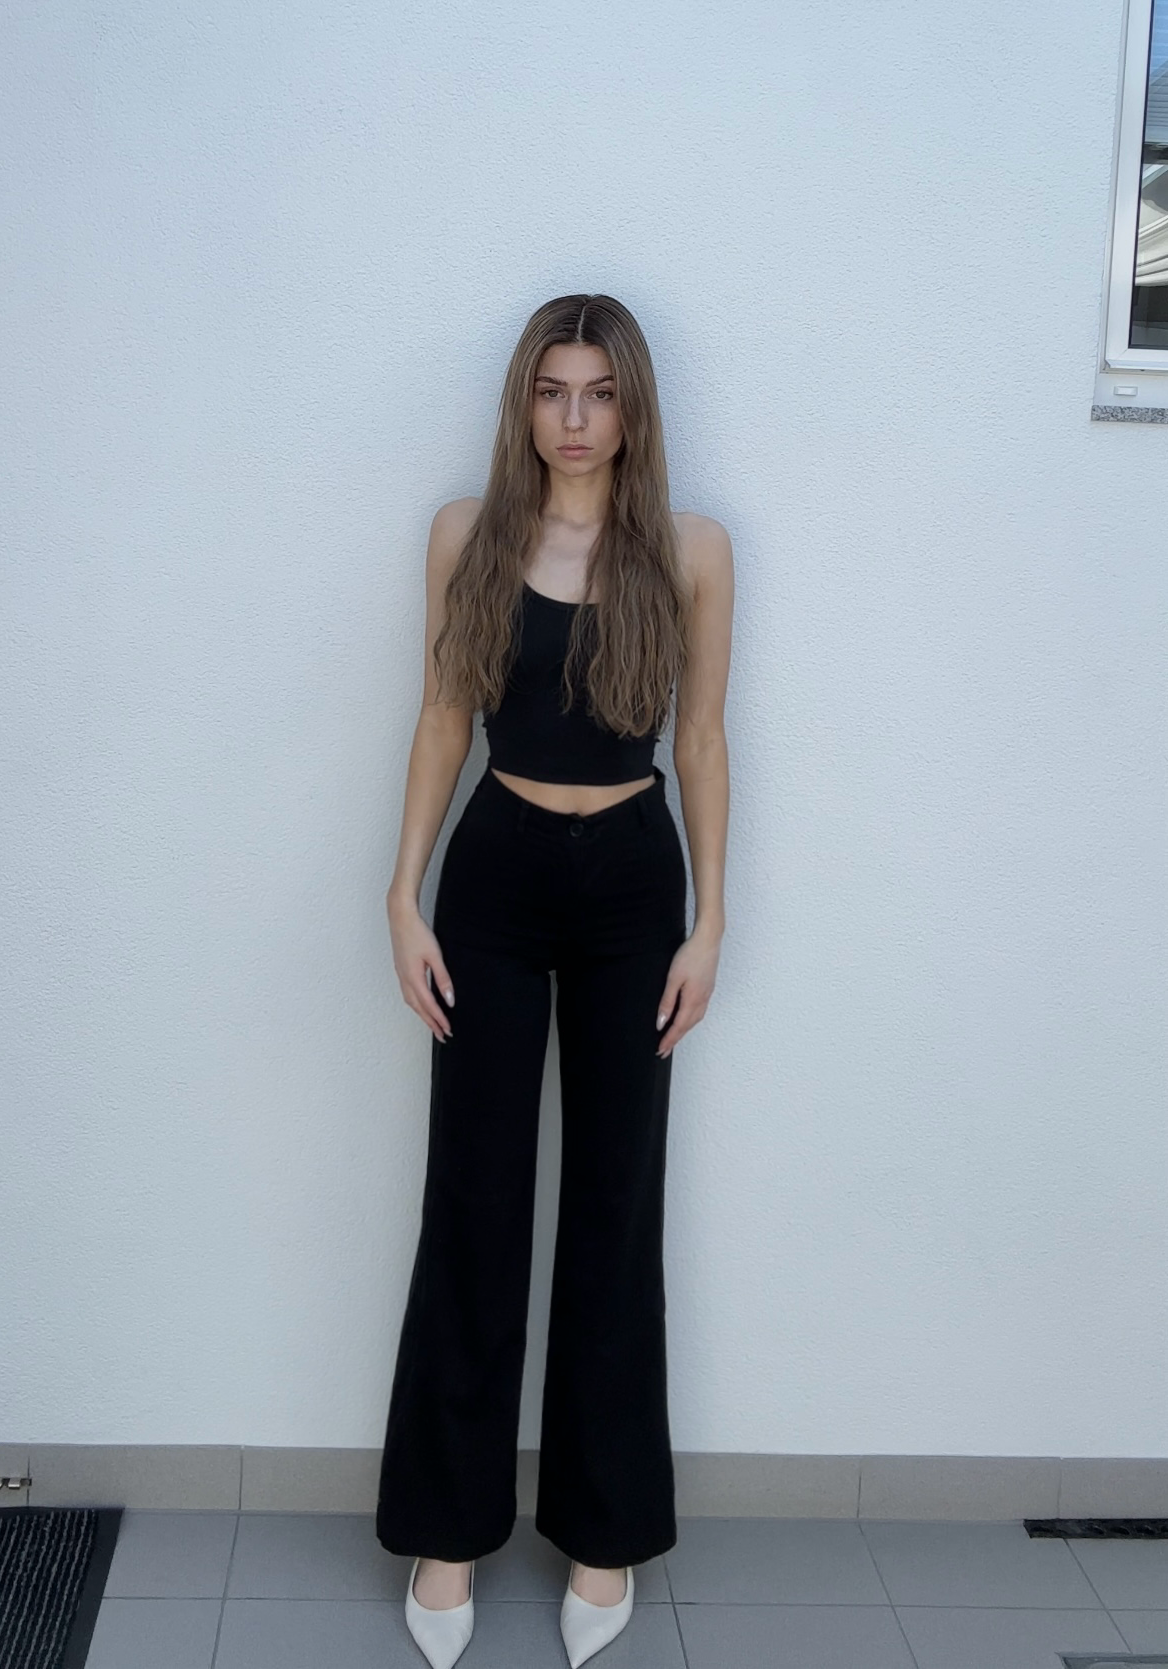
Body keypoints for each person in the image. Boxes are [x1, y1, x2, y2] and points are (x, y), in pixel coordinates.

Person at [375, 292, 733, 1669]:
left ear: (632, 406)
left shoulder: (690, 552)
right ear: (523, 404)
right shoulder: (466, 535)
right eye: (550, 391)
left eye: (598, 392)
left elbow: (700, 741)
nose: (573, 419)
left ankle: (603, 1531)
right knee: (473, 1200)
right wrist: (403, 895)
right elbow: (440, 715)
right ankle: (447, 1532)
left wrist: (709, 924)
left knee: (613, 1208)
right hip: (496, 878)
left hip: (634, 887)